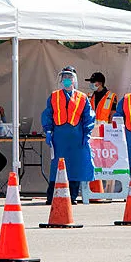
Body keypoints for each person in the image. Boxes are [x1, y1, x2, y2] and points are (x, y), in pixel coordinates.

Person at [41, 66, 96, 205]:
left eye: (69, 77)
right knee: (56, 167)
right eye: (64, 77)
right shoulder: (54, 96)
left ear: (74, 79)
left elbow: (88, 117)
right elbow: (48, 114)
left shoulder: (82, 97)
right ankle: (51, 196)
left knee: (75, 167)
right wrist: (48, 131)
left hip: (77, 136)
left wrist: (87, 134)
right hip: (59, 136)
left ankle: (72, 196)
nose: (67, 80)